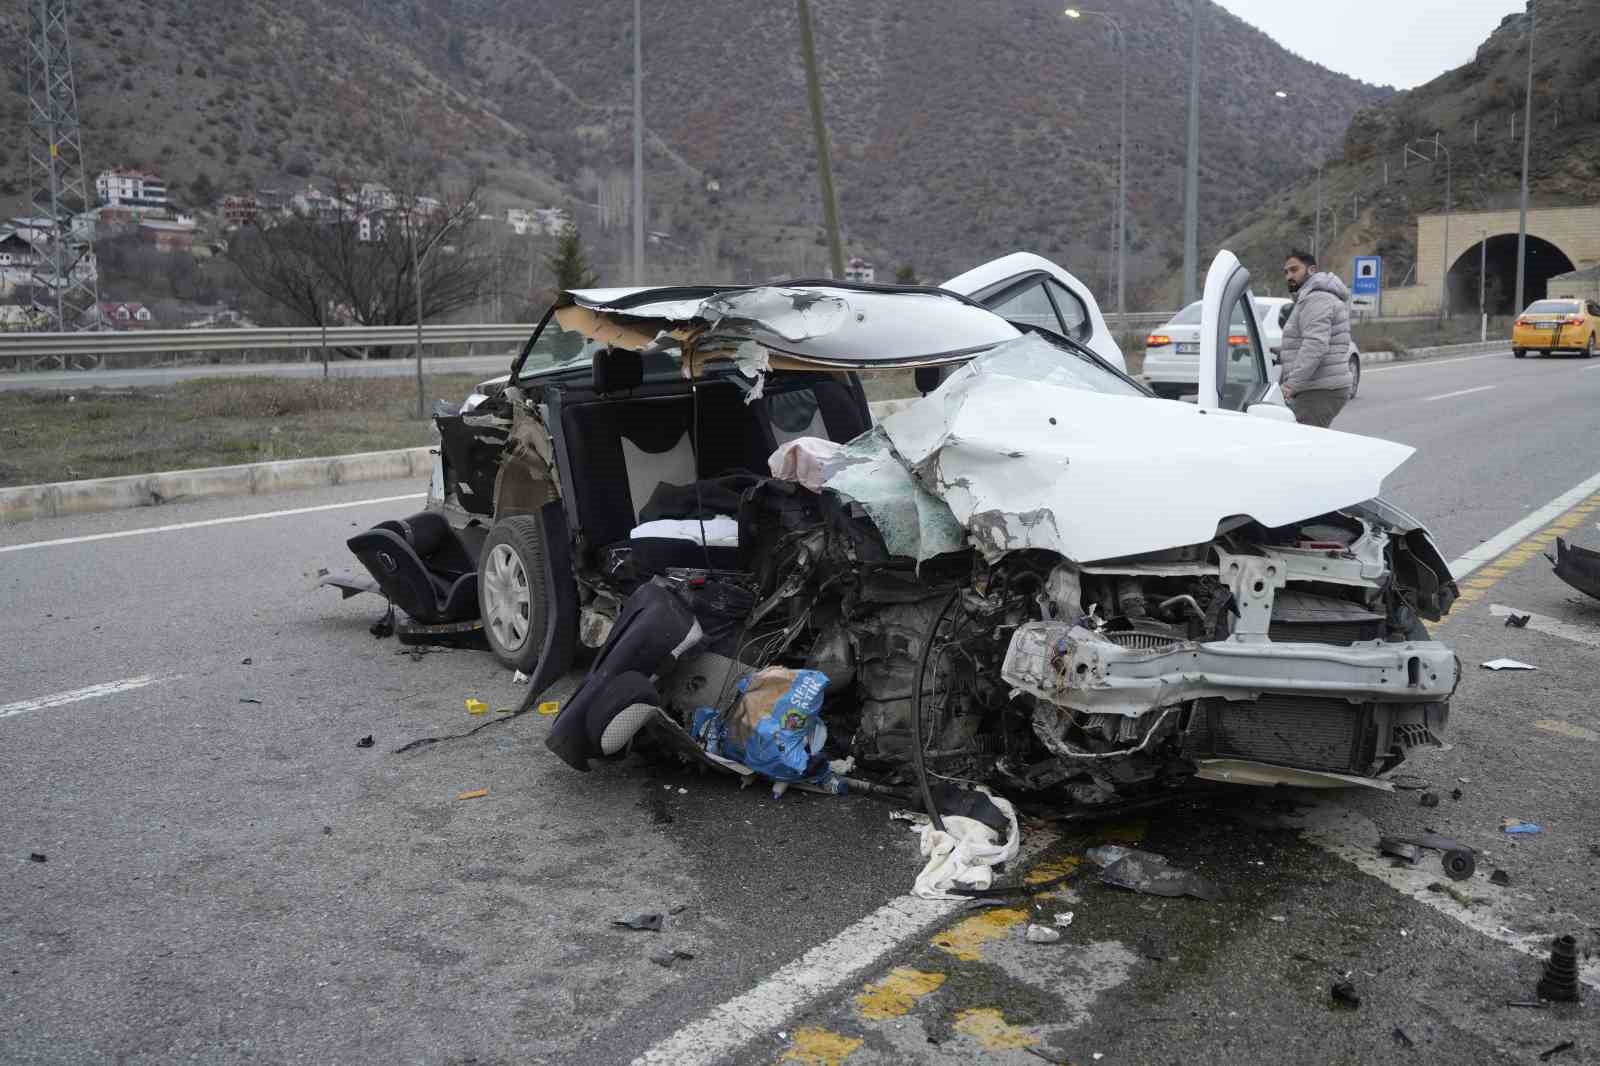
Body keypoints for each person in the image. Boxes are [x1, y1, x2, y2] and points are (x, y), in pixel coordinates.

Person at [1278, 250, 1353, 428]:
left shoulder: (1317, 298)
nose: (1289, 276)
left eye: (1294, 270)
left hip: (1319, 389)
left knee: (1303, 449)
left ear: (1311, 270)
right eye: (1286, 272)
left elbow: (1315, 344)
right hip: (1321, 386)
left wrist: (1291, 385)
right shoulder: (1315, 297)